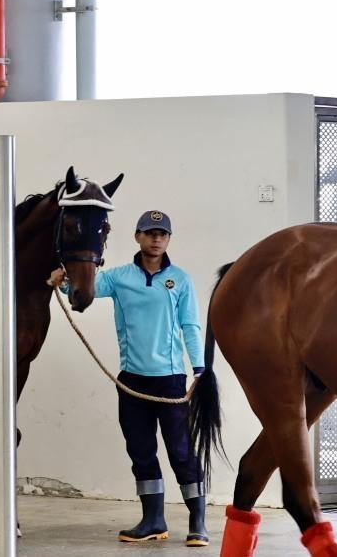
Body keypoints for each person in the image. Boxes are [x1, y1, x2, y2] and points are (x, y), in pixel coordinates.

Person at [48, 210, 208, 547]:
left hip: (171, 380)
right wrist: (61, 280)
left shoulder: (180, 280)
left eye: (161, 234)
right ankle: (153, 519)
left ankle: (198, 521)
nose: (155, 239)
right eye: (149, 233)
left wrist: (199, 368)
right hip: (131, 381)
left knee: (180, 452)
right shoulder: (119, 277)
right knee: (141, 450)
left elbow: (191, 327)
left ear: (168, 239)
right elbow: (83, 287)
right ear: (137, 236)